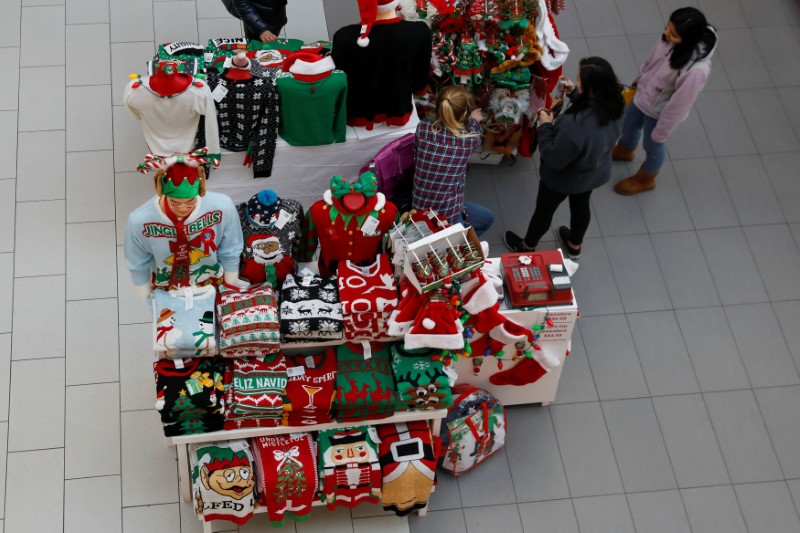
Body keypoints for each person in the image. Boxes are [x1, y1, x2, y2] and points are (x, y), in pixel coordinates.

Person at [503, 57, 625, 259]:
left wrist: (545, 125)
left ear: (592, 88)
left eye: (579, 80)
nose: (576, 81)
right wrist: (575, 94)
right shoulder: (616, 103)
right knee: (580, 205)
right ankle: (574, 245)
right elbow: (593, 117)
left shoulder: (574, 126)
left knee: (545, 210)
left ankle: (527, 246)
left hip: (562, 179)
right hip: (593, 172)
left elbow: (552, 156)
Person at [613, 7, 717, 195]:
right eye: (667, 28)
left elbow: (679, 105)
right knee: (628, 124)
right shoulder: (668, 38)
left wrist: (661, 131)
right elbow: (650, 60)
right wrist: (639, 79)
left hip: (659, 112)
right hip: (642, 95)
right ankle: (625, 150)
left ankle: (646, 179)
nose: (666, 34)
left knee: (653, 146)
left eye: (674, 34)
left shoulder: (696, 71)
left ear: (689, 39)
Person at [411, 85, 495, 236]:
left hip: (419, 208)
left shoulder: (422, 129)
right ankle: (463, 238)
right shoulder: (468, 141)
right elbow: (475, 130)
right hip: (446, 215)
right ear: (464, 114)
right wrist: (474, 120)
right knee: (487, 219)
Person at [221, 0, 287, 43]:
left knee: (271, 44)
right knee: (257, 49)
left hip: (275, 12)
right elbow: (242, 5)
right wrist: (261, 29)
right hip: (256, 14)